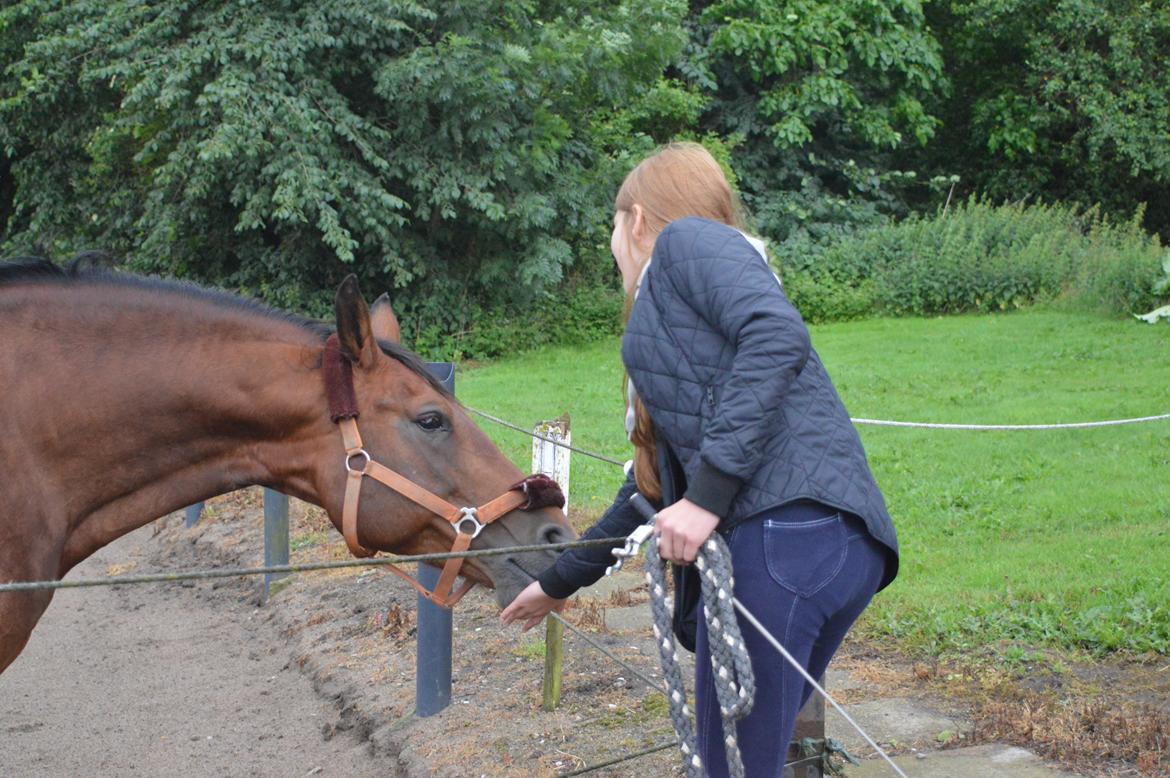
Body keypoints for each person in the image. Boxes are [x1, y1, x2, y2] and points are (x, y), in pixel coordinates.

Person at [500, 142, 899, 777]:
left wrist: (708, 499)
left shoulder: (686, 243)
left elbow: (777, 335)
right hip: (831, 546)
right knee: (741, 766)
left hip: (781, 545)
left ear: (636, 220)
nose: (610, 245)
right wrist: (557, 584)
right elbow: (652, 493)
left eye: (612, 223)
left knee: (728, 771)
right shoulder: (678, 329)